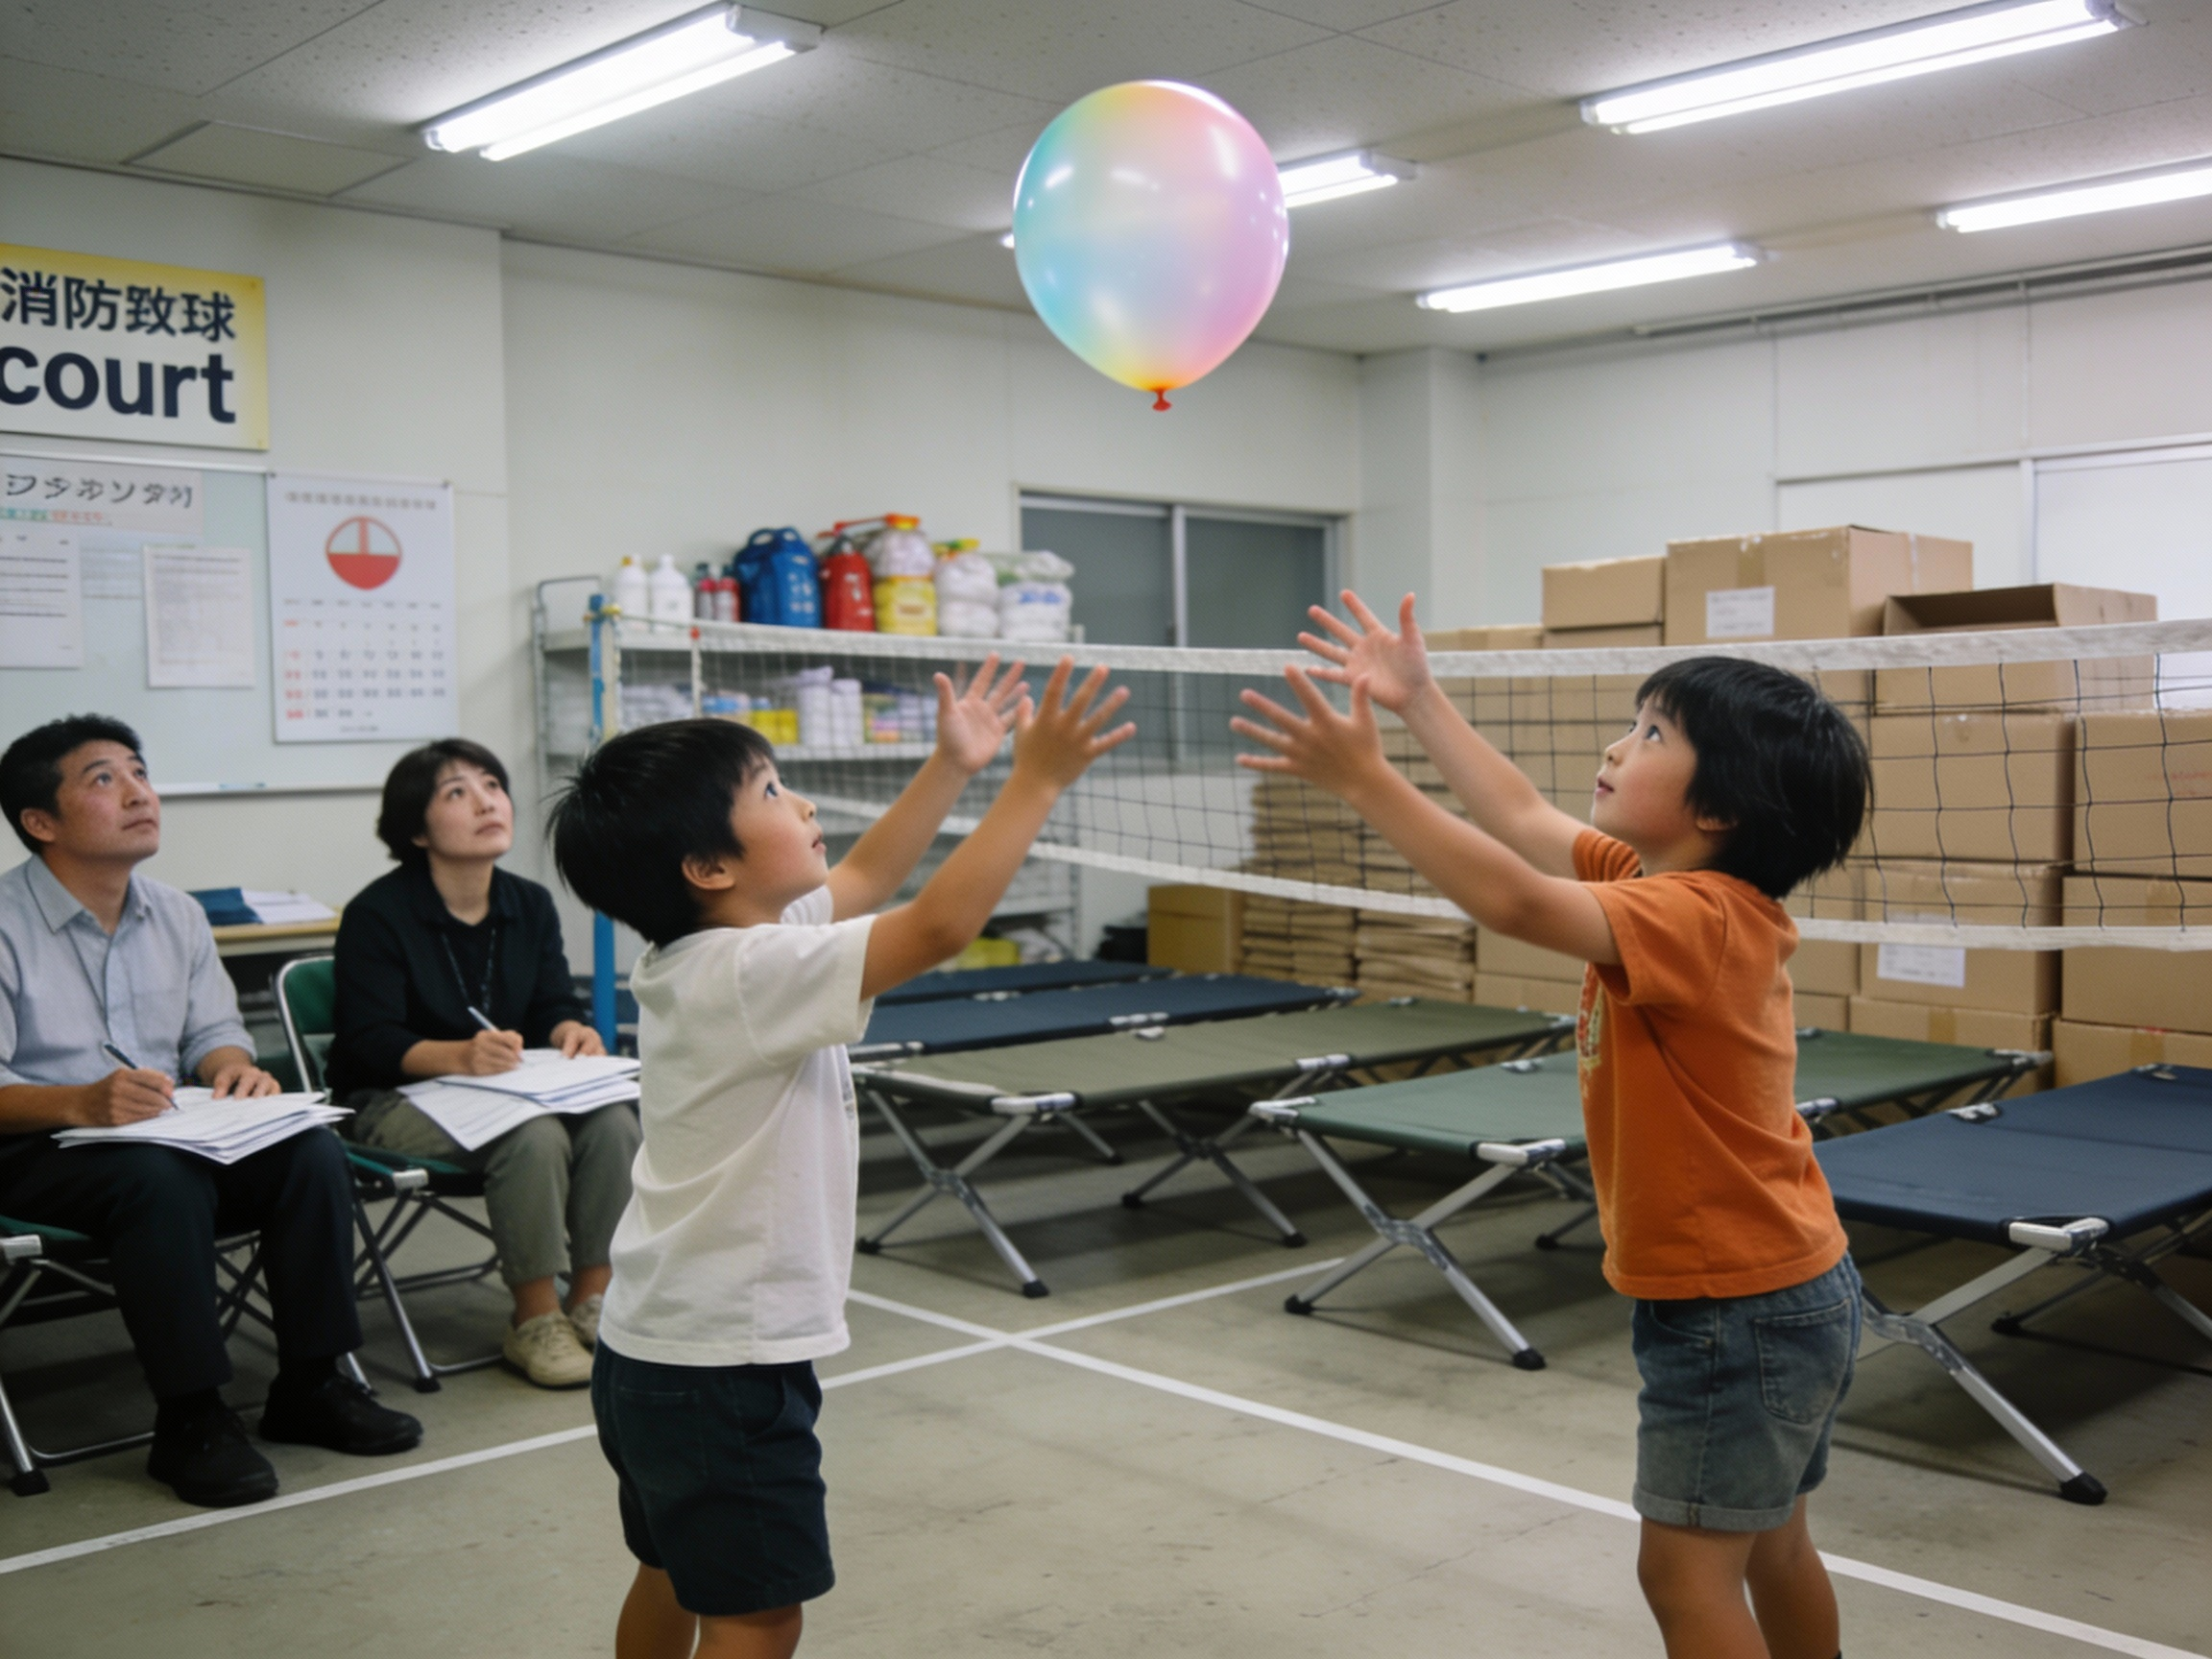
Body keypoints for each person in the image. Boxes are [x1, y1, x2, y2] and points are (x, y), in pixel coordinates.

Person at [1234, 595, 1868, 1659]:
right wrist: (1420, 701)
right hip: (1780, 1287)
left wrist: (1368, 780)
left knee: (1684, 1574)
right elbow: (1524, 819)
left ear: (1718, 806)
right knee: (1770, 1546)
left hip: (1733, 1306)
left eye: (1655, 734)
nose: (1620, 746)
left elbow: (1520, 902)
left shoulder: (1695, 915)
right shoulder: (1661, 880)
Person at [548, 656, 1130, 1659]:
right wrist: (1033, 781)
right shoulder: (755, 967)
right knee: (759, 1610)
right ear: (708, 867)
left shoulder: (705, 949)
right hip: (726, 1360)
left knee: (673, 1569)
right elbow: (939, 924)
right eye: (772, 791)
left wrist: (953, 767)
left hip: (658, 1347)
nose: (803, 800)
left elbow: (863, 879)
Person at [0, 714, 421, 1508]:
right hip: (35, 1143)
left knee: (309, 1152)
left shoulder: (179, 915)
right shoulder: (3, 925)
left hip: (164, 1131)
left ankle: (312, 1383)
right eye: (103, 779)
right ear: (39, 822)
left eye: (139, 771)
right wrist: (81, 1101)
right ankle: (191, 1417)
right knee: (160, 1183)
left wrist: (234, 1072)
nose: (137, 793)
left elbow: (214, 1035)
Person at [325, 738, 636, 1389]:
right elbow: (368, 1040)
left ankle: (594, 1297)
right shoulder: (377, 914)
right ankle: (534, 1318)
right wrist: (459, 1056)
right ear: (416, 829)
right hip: (394, 1101)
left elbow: (554, 998)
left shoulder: (528, 903)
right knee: (533, 1137)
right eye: (456, 792)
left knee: (612, 1118)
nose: (486, 801)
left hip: (510, 1090)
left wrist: (570, 1029)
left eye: (492, 785)